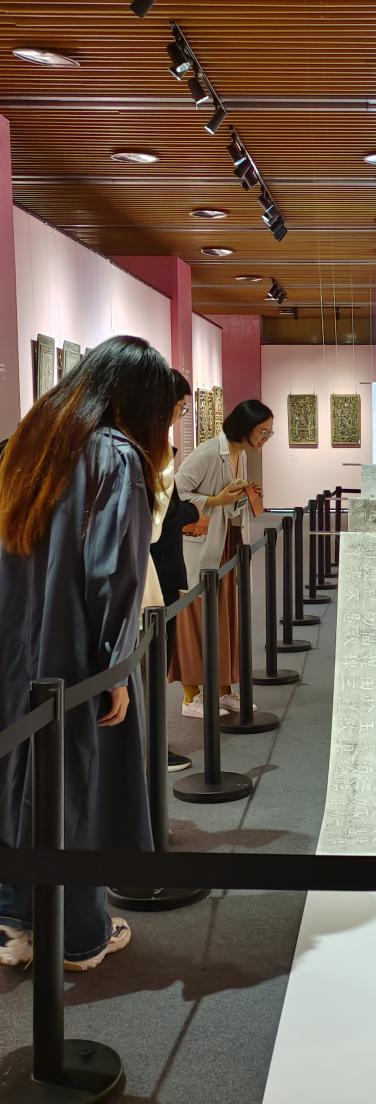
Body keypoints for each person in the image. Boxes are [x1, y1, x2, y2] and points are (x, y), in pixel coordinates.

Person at [0, 335, 175, 970]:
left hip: (15, 641)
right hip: (73, 650)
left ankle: (15, 922)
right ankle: (79, 935)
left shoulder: (31, 443)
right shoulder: (115, 455)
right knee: (79, 783)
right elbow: (112, 573)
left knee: (19, 773)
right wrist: (115, 669)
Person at [169, 399, 273, 716]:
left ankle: (222, 689)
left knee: (224, 619)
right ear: (245, 428)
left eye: (269, 432)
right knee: (194, 619)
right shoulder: (207, 453)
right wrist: (217, 499)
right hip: (200, 548)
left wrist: (244, 496)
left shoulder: (240, 454)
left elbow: (228, 502)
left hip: (225, 546)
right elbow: (176, 495)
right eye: (263, 431)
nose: (266, 438)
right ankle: (191, 697)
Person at [148, 370, 199, 769]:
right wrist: (195, 512)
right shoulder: (144, 451)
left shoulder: (152, 448)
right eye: (180, 407)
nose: (180, 415)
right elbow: (154, 522)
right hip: (148, 573)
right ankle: (147, 749)